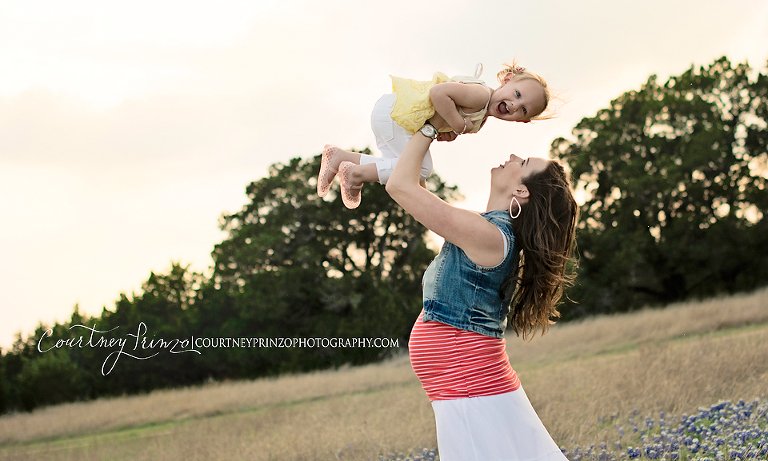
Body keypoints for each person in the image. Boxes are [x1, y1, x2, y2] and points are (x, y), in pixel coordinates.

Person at [385, 125, 578, 460]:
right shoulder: (486, 230)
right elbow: (415, 187)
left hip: (468, 388)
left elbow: (399, 186)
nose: (514, 156)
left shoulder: (489, 236)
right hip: (465, 389)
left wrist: (429, 126)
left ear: (522, 190)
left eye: (524, 161)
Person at [318, 61, 552, 208]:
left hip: (393, 115)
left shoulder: (481, 118)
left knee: (398, 166)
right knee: (421, 170)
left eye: (522, 109)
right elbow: (438, 93)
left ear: (522, 120)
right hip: (396, 115)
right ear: (508, 81)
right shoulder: (481, 96)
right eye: (517, 94)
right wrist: (458, 124)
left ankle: (339, 157)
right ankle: (355, 174)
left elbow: (442, 120)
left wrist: (447, 132)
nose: (513, 104)